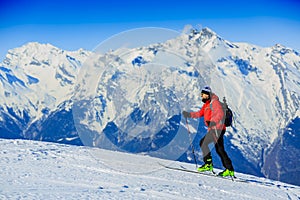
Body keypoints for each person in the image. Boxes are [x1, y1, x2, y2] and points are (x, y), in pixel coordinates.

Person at [182, 86, 234, 177]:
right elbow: (199, 113)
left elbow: (219, 114)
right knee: (214, 147)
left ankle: (225, 168)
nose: (202, 96)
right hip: (214, 129)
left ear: (208, 95)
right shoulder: (206, 104)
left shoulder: (215, 103)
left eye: (203, 94)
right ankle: (216, 166)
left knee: (215, 147)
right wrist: (189, 115)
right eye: (201, 94)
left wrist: (213, 121)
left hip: (217, 129)